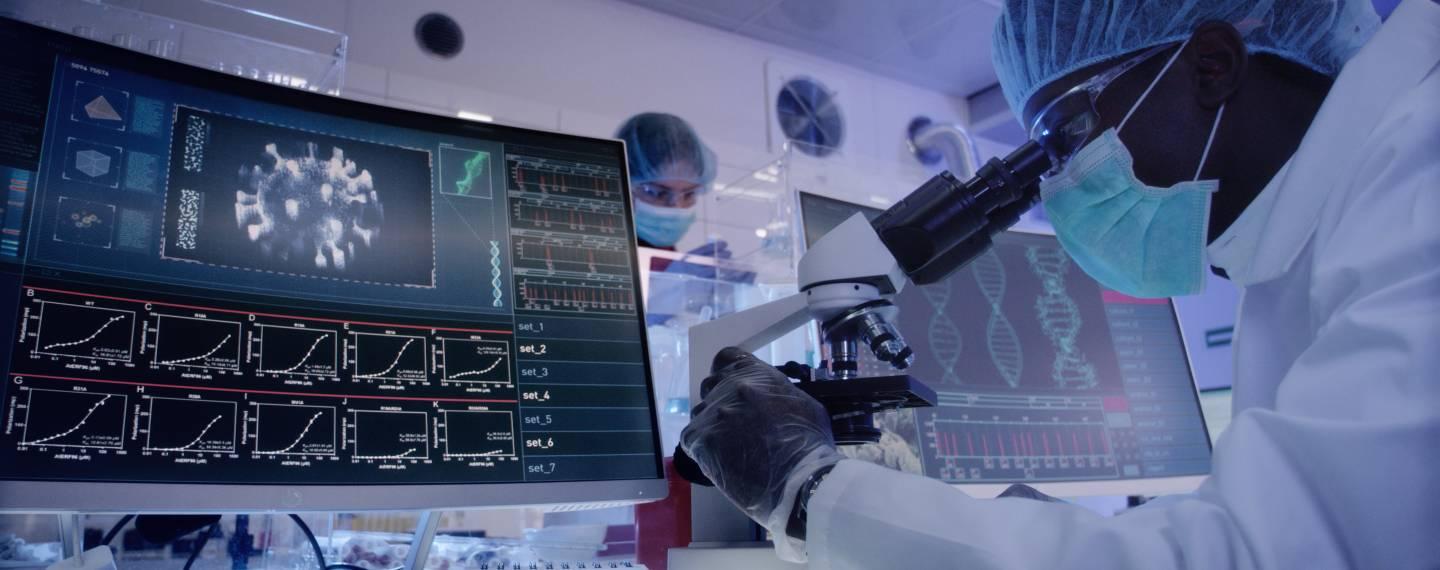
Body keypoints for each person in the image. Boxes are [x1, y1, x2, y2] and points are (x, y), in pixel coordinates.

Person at [679, 0, 1440, 567]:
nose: (1059, 185)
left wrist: (814, 495)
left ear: (1213, 65)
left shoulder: (1421, 174)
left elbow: (1258, 553)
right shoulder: (1309, 245)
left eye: (1067, 139)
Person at [615, 112, 717, 250]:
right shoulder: (597, 245)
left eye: (689, 194)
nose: (677, 207)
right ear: (620, 185)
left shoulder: (668, 256)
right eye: (656, 193)